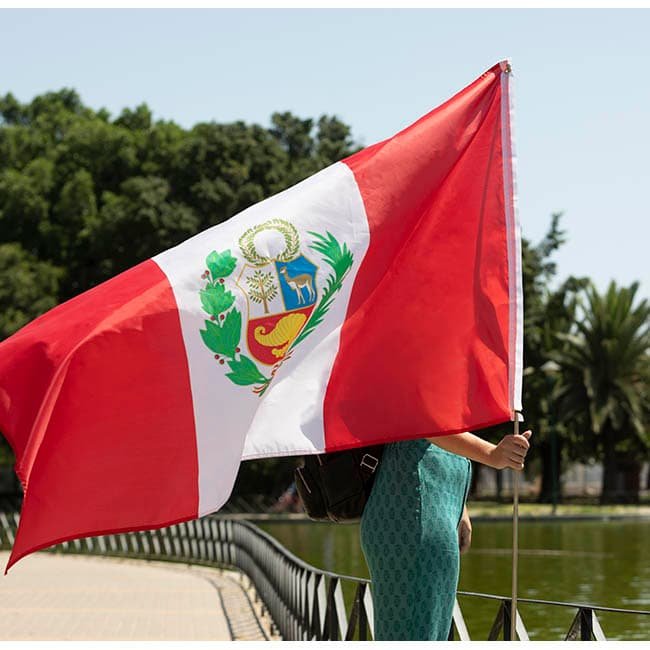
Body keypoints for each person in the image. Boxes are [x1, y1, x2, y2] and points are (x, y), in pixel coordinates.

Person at [360, 429, 532, 641]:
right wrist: (491, 454)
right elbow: (423, 420)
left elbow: (442, 423)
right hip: (414, 510)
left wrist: (460, 506)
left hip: (429, 507)